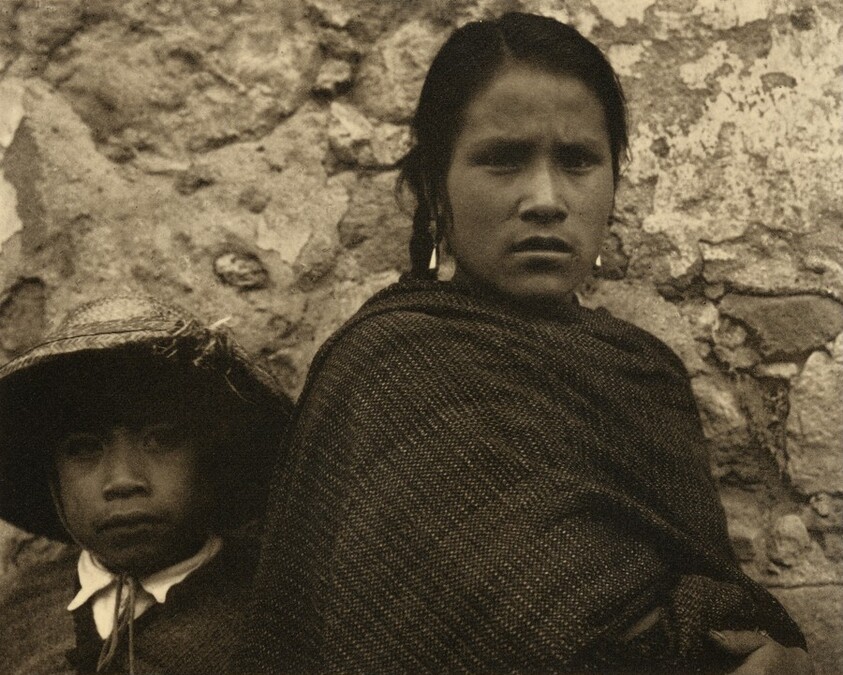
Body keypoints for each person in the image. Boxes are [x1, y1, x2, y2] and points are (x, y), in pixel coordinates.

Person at [238, 13, 811, 673]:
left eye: (576, 161)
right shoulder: (382, 374)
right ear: (434, 185)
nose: (544, 198)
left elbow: (713, 601)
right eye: (502, 159)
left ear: (612, 180)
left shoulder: (644, 375)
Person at [0, 294, 292, 674]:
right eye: (84, 448)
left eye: (162, 440)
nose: (123, 480)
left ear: (212, 460)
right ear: (53, 477)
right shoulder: (20, 614)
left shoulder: (273, 618)